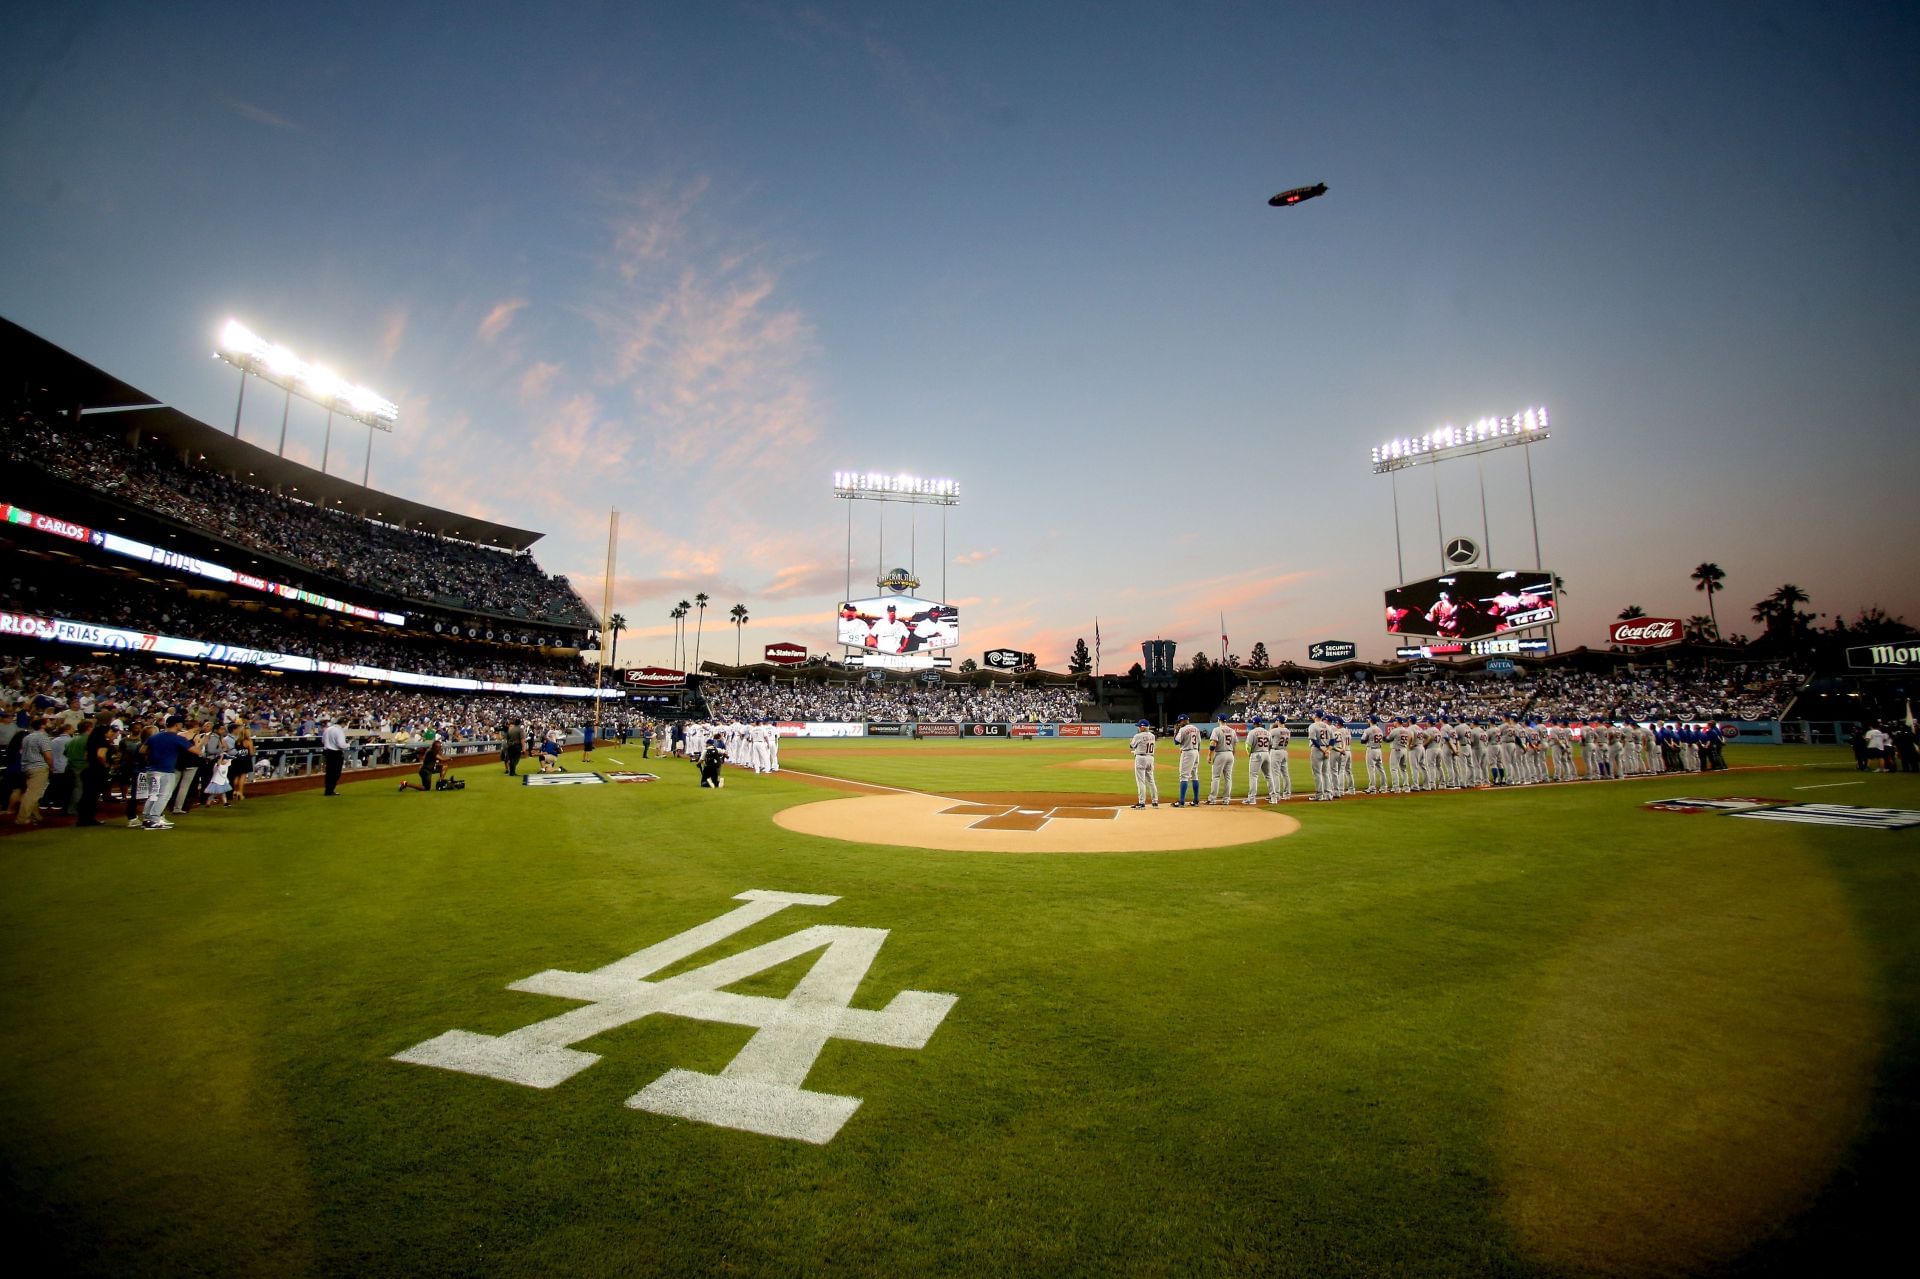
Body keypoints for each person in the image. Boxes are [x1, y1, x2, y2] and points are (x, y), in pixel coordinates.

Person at [141, 715, 194, 829]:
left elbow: (142, 751)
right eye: (181, 723)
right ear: (177, 725)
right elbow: (196, 751)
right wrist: (202, 742)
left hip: (152, 770)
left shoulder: (154, 737)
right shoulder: (177, 738)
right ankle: (154, 819)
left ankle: (147, 819)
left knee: (153, 795)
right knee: (163, 796)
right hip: (166, 771)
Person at [12, 716, 55, 826]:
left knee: (32, 792)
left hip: (27, 767)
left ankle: (36, 815)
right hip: (38, 767)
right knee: (32, 794)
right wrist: (52, 766)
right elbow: (48, 755)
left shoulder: (27, 737)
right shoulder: (43, 737)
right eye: (49, 722)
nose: (52, 723)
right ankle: (22, 819)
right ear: (42, 725)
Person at [1128, 719, 1159, 809]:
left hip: (1141, 759)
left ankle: (1141, 803)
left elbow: (1131, 745)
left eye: (1139, 726)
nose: (1138, 728)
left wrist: (1133, 743)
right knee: (1151, 780)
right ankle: (1155, 802)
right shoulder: (1153, 736)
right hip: (1150, 758)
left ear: (1142, 727)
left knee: (1141, 781)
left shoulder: (1138, 736)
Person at [1206, 715, 1237, 805]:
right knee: (1228, 778)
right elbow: (1234, 745)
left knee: (1216, 777)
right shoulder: (1232, 730)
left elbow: (1213, 743)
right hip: (1230, 754)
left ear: (1219, 720)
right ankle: (1226, 799)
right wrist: (1232, 755)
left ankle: (1212, 799)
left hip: (1220, 754)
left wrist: (1209, 755)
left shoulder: (1217, 730)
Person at [1171, 714, 1201, 807]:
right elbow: (1199, 742)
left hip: (1187, 753)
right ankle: (1196, 800)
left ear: (1183, 721)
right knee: (1194, 775)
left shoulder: (1182, 729)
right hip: (1196, 751)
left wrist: (1176, 731)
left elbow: (1176, 742)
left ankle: (1181, 801)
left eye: (1180, 722)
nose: (1179, 723)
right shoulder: (1196, 728)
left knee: (1183, 776)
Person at [1242, 718, 1272, 805]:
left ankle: (1252, 799)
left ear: (1254, 724)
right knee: (1269, 776)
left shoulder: (1252, 732)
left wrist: (1249, 754)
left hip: (1257, 754)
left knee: (1254, 776)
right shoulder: (1267, 732)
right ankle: (1274, 798)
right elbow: (1270, 745)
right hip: (1266, 753)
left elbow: (1248, 746)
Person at [321, 717, 347, 794]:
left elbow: (323, 741)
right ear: (342, 723)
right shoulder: (339, 731)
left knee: (329, 772)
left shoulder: (328, 729)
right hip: (336, 753)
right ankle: (330, 790)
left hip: (327, 752)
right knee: (336, 773)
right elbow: (341, 745)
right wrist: (348, 745)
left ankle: (328, 790)